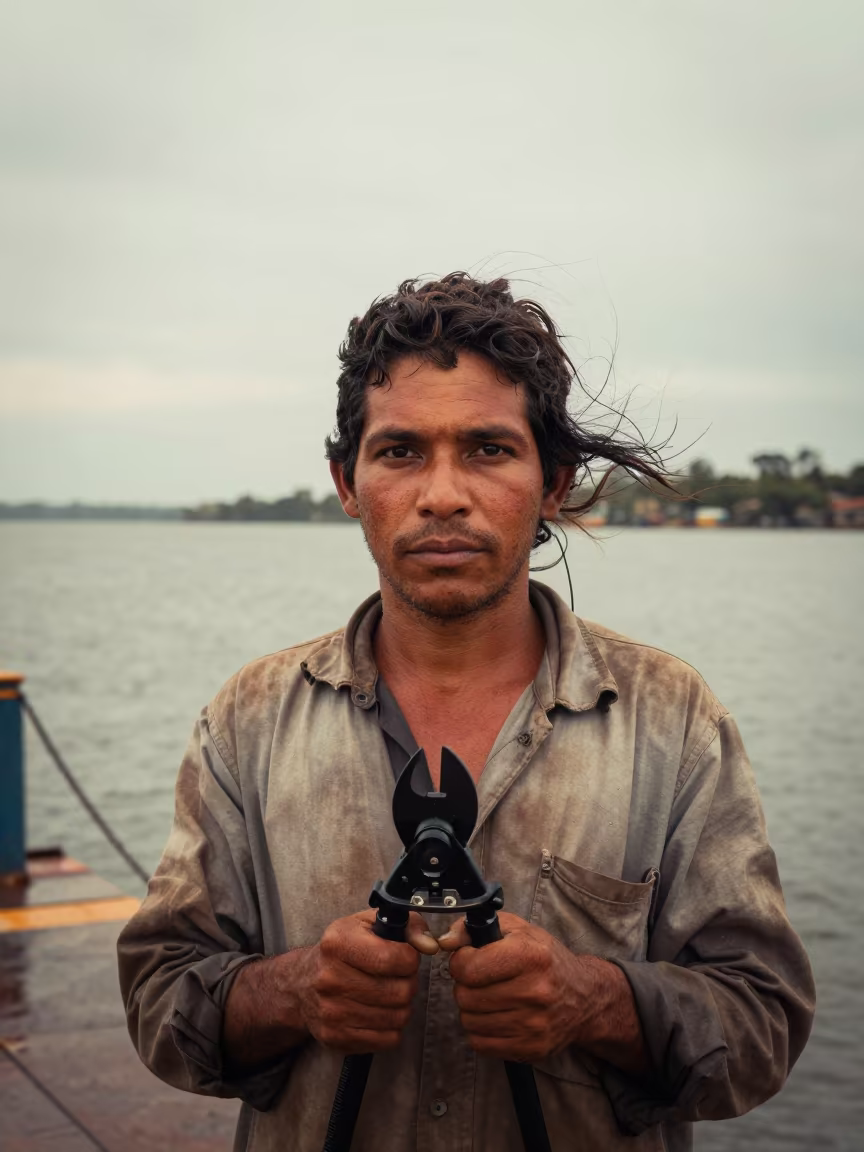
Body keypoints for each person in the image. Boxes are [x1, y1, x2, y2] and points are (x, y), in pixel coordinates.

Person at [118, 273, 815, 1152]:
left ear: (553, 482)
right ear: (347, 481)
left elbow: (763, 1025)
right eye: (401, 451)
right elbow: (158, 1000)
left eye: (488, 449)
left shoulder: (671, 719)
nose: (442, 494)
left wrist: (591, 1000)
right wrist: (295, 991)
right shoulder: (250, 719)